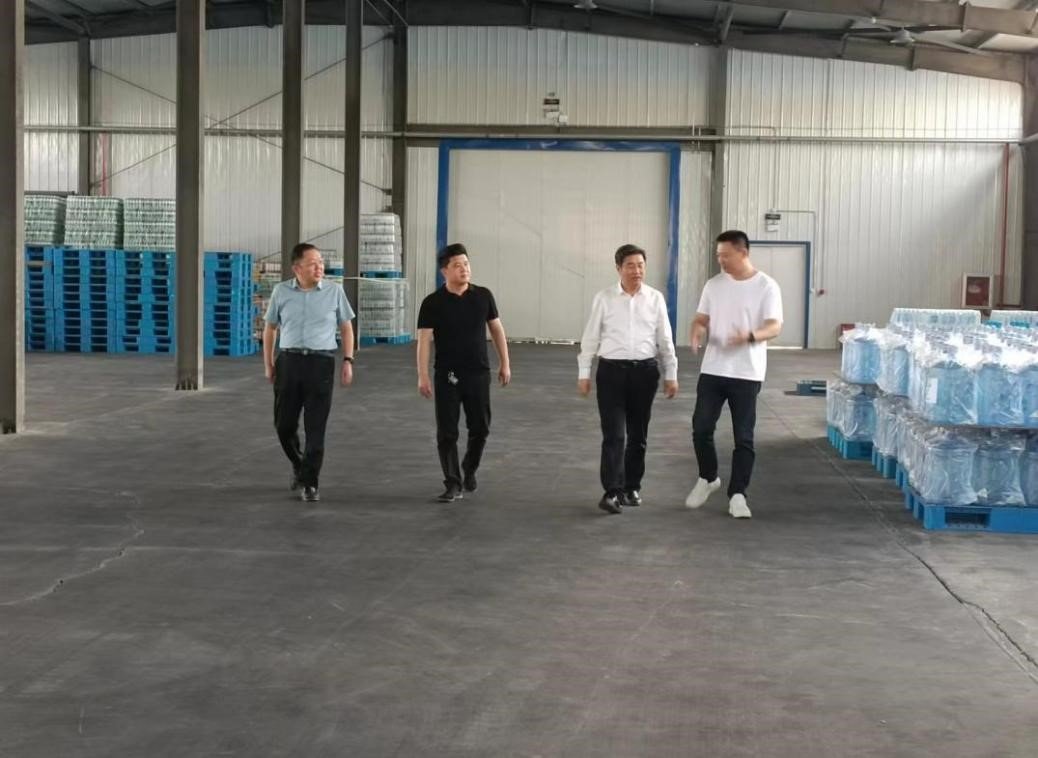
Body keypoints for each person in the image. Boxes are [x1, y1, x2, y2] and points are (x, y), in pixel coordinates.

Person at [685, 230, 783, 519]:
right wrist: (696, 330)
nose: (721, 261)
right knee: (701, 427)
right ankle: (708, 477)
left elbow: (774, 326)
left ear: (743, 253)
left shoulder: (766, 286)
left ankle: (738, 494)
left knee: (744, 436)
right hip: (713, 369)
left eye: (726, 255)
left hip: (747, 372)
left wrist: (749, 336)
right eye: (718, 256)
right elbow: (701, 318)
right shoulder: (714, 285)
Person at [578, 243, 678, 515]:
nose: (637, 271)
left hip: (645, 373)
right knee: (614, 434)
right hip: (611, 373)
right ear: (618, 268)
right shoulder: (604, 298)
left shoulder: (655, 299)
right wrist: (584, 372)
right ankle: (611, 491)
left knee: (638, 435)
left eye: (641, 265)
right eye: (631, 265)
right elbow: (591, 337)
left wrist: (671, 373)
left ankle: (632, 487)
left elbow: (665, 339)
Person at [417, 243, 511, 503]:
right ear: (444, 271)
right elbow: (424, 340)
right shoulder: (432, 303)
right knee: (447, 431)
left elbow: (497, 330)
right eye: (457, 265)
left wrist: (505, 362)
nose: (464, 269)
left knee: (480, 427)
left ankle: (469, 468)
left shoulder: (483, 296)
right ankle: (452, 482)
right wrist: (422, 375)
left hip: (478, 373)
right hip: (447, 375)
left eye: (466, 264)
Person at [262, 243, 355, 503]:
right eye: (313, 263)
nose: (319, 267)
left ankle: (310, 482)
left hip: (320, 363)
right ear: (297, 268)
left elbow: (346, 328)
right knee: (283, 425)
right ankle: (299, 463)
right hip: (289, 362)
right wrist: (268, 364)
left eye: (321, 262)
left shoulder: (334, 291)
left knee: (316, 428)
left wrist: (348, 360)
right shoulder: (281, 292)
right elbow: (270, 329)